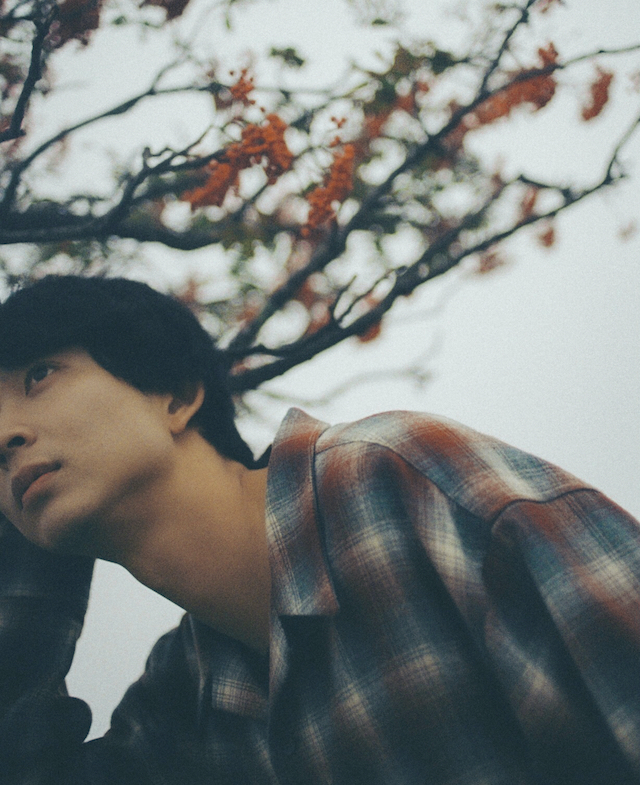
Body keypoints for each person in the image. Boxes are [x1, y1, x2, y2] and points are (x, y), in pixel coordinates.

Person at [0, 275, 638, 785]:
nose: (4, 435)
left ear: (176, 394)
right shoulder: (180, 701)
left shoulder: (394, 480)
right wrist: (42, 536)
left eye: (39, 376)